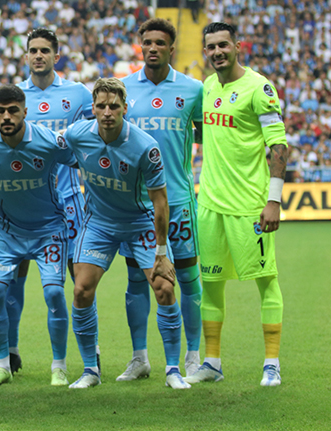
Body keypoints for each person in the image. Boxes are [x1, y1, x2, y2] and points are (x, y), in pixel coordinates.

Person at [64, 78, 189, 390]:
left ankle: (173, 370)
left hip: (139, 222)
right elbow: (46, 147)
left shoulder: (146, 147)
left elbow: (160, 203)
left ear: (124, 108)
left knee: (164, 288)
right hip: (99, 223)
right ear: (93, 109)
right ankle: (90, 370)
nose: (107, 112)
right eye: (101, 106)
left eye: (114, 106)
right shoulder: (77, 134)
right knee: (81, 290)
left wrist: (162, 253)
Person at [185, 22, 288, 387]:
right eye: (211, 47)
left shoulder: (259, 88)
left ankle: (272, 363)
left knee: (266, 279)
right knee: (211, 283)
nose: (217, 52)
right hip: (210, 205)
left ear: (237, 47)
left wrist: (273, 200)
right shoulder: (208, 87)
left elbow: (279, 146)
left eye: (223, 45)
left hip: (249, 206)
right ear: (205, 51)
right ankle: (212, 363)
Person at [117, 18, 204, 381]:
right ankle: (139, 357)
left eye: (160, 42)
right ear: (141, 46)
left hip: (179, 200)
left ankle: (193, 357)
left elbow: (208, 137)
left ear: (171, 48)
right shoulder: (123, 89)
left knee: (187, 278)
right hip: (136, 205)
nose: (152, 48)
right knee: (137, 280)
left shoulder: (194, 90)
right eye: (147, 42)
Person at [0, 84, 73, 387]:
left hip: (49, 230)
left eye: (13, 110)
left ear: (25, 112)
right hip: (7, 230)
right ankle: (3, 366)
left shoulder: (48, 141)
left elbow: (84, 158)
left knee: (54, 294)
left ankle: (59, 366)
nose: (7, 117)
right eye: (0, 111)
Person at [9, 27, 94, 374]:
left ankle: (91, 349)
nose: (39, 55)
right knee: (14, 278)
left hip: (69, 201)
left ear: (56, 55)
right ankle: (11, 349)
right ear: (26, 55)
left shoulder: (78, 94)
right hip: (24, 203)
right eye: (33, 50)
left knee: (80, 280)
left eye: (45, 50)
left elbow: (96, 137)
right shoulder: (15, 97)